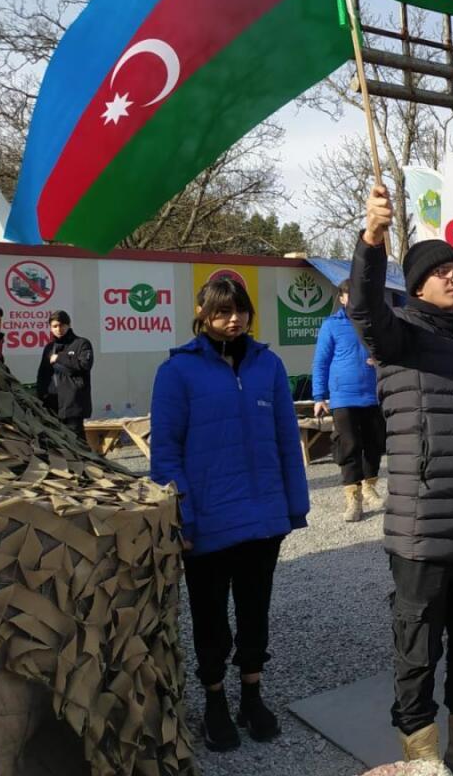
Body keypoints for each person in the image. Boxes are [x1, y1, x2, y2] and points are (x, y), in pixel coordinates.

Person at [349, 184, 453, 776]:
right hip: (421, 523)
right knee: (417, 644)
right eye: (443, 270)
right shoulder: (399, 335)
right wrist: (373, 238)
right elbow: (364, 307)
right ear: (418, 283)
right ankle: (421, 757)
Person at [150, 278, 310, 753]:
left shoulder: (268, 365)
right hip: (209, 522)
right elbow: (166, 453)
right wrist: (183, 517)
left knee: (255, 612)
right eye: (222, 311)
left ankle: (252, 696)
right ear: (202, 314)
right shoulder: (177, 371)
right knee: (210, 618)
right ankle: (215, 699)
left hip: (263, 520)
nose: (233, 319)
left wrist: (294, 506)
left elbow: (287, 439)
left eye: (240, 310)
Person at [311, 279, 384, 522]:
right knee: (349, 445)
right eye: (349, 294)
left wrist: (381, 360)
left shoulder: (375, 323)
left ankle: (370, 486)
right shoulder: (331, 325)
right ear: (342, 298)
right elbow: (321, 362)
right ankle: (353, 498)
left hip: (373, 395)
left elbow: (391, 351)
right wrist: (319, 396)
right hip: (343, 396)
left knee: (374, 443)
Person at [36, 310, 93, 437]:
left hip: (73, 404)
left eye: (61, 325)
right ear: (50, 328)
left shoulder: (82, 343)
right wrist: (41, 396)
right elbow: (42, 374)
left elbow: (85, 365)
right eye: (54, 326)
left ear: (68, 325)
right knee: (54, 442)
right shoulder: (49, 347)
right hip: (52, 404)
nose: (58, 329)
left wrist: (59, 357)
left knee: (76, 441)